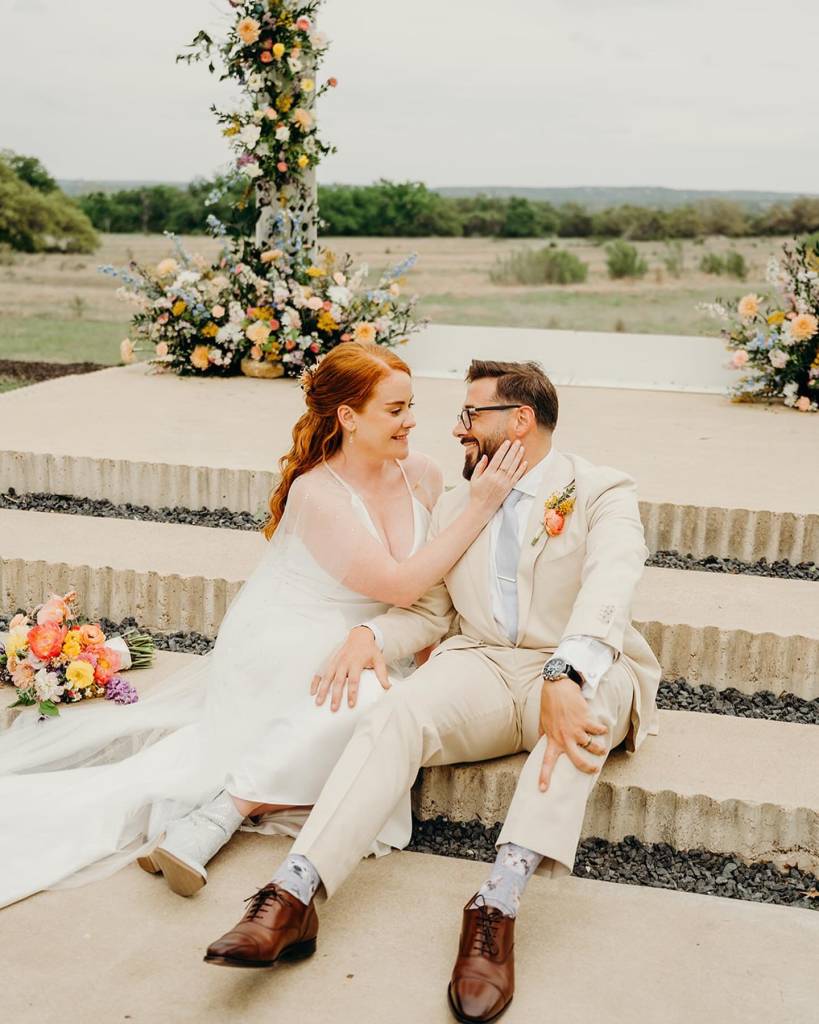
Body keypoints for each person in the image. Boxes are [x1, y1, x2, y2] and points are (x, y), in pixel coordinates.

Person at [203, 360, 661, 1024]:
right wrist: (371, 634)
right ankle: (293, 895)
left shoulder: (599, 490)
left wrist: (569, 671)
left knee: (581, 715)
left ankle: (494, 907)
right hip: (479, 662)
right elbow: (430, 613)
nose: (454, 430)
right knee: (396, 712)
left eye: (470, 416)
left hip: (578, 663)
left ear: (519, 420)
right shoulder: (459, 499)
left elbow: (610, 586)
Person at [0, 342, 525, 909]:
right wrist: (480, 504)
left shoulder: (420, 473)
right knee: (362, 695)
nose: (412, 421)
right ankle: (222, 814)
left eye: (411, 405)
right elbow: (401, 585)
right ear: (348, 417)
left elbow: (430, 586)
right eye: (394, 409)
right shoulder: (318, 492)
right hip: (292, 638)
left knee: (377, 695)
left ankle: (220, 813)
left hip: (373, 638)